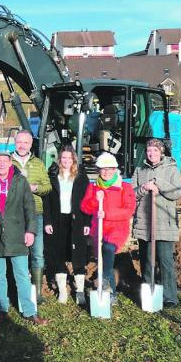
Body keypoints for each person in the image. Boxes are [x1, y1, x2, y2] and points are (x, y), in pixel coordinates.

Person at [0, 145, 46, 324]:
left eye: (5, 160)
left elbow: (30, 208)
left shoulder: (20, 181)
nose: (2, 164)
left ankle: (29, 311)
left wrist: (30, 231)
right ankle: (3, 309)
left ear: (10, 162)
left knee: (21, 274)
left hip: (17, 234)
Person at [131, 139, 181, 308]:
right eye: (148, 151)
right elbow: (131, 195)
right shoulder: (140, 170)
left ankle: (169, 297)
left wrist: (157, 185)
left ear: (161, 152)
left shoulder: (171, 169)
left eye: (154, 150)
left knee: (165, 260)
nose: (151, 154)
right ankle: (149, 292)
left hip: (164, 223)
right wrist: (143, 188)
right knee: (146, 260)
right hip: (145, 222)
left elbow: (177, 192)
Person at [80, 152, 135, 304]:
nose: (106, 172)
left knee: (109, 250)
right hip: (98, 230)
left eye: (109, 169)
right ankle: (112, 294)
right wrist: (95, 201)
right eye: (102, 169)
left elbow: (128, 210)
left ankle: (104, 280)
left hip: (117, 229)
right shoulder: (93, 187)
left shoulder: (125, 187)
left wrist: (107, 213)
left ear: (115, 169)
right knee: (103, 260)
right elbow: (85, 207)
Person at [43, 147, 92, 305]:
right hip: (58, 220)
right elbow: (47, 202)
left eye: (69, 158)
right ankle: (62, 291)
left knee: (78, 255)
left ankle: (79, 291)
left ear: (74, 160)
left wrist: (86, 222)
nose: (66, 161)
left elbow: (87, 201)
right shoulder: (52, 176)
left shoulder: (81, 178)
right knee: (59, 255)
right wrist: (48, 221)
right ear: (59, 159)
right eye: (63, 158)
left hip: (76, 220)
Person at [11, 130, 51, 300]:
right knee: (18, 252)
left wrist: (35, 188)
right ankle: (20, 289)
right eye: (19, 142)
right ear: (15, 142)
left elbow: (47, 186)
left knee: (37, 252)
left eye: (26, 142)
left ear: (30, 144)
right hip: (14, 215)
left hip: (36, 214)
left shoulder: (39, 163)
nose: (22, 145)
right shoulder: (7, 161)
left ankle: (37, 292)